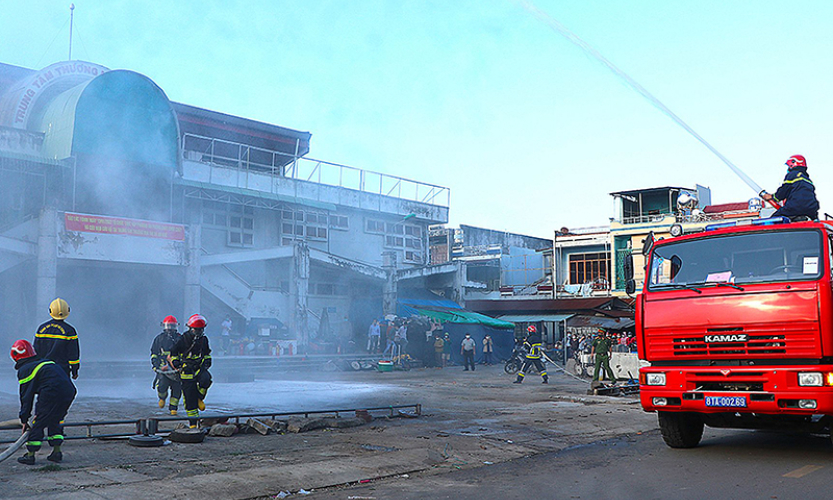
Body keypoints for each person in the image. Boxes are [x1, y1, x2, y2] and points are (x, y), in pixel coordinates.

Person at [12, 339, 77, 465]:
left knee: (39, 422)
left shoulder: (25, 369)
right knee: (54, 419)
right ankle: (56, 452)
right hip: (69, 391)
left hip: (52, 392)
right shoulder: (45, 362)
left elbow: (26, 396)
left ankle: (30, 455)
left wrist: (24, 419)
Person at [170, 314, 212, 428]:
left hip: (199, 367)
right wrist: (176, 363)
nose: (199, 332)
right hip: (186, 370)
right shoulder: (183, 339)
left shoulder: (204, 340)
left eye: (201, 330)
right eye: (197, 330)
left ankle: (199, 398)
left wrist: (207, 362)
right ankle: (193, 424)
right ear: (191, 328)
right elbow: (173, 353)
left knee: (206, 379)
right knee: (189, 398)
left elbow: (206, 353)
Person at [761, 155, 819, 221]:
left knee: (774, 220)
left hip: (795, 208)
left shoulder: (793, 174)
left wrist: (772, 197)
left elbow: (784, 190)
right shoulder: (808, 180)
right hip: (811, 211)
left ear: (792, 164)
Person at [34, 298, 80, 380]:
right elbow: (73, 355)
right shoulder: (70, 330)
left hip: (43, 369)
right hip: (62, 370)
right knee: (63, 391)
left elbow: (35, 351)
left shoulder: (41, 329)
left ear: (50, 311)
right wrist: (74, 371)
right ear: (67, 310)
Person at [151, 315, 182, 415]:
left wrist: (181, 366)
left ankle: (173, 408)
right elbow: (154, 353)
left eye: (172, 326)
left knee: (177, 389)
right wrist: (156, 365)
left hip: (176, 369)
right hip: (163, 369)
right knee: (162, 386)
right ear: (164, 326)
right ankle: (162, 397)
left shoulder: (180, 339)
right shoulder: (159, 339)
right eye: (168, 326)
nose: (170, 329)